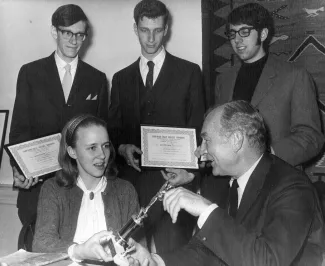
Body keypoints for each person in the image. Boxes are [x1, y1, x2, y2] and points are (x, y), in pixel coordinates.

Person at [129, 100, 325, 266]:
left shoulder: (293, 187)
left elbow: (268, 260)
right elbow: (209, 251)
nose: (199, 151)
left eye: (206, 140)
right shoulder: (226, 182)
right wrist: (154, 261)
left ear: (236, 140)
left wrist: (205, 208)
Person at [107, 0, 205, 253]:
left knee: (173, 256)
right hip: (128, 188)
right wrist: (122, 148)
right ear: (135, 28)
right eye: (144, 30)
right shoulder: (120, 79)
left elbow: (198, 130)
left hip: (174, 185)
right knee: (127, 257)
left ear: (167, 29)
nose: (150, 38)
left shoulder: (190, 73)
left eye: (157, 30)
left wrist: (189, 174)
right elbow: (114, 131)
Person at [9, 4, 109, 227]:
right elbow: (18, 130)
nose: (74, 41)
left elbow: (103, 138)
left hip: (82, 192)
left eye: (80, 34)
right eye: (67, 33)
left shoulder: (97, 79)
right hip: (37, 191)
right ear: (55, 32)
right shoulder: (30, 73)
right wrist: (19, 169)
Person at [214, 3, 323, 167]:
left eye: (244, 32)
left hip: (279, 177)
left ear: (263, 34)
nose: (237, 40)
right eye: (232, 33)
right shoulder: (223, 79)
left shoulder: (294, 76)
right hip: (232, 182)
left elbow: (311, 137)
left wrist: (266, 153)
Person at [32, 114, 140, 265]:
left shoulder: (125, 191)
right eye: (92, 148)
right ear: (72, 151)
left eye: (106, 145)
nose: (102, 155)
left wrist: (135, 260)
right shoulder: (53, 189)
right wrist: (79, 251)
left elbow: (138, 247)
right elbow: (41, 245)